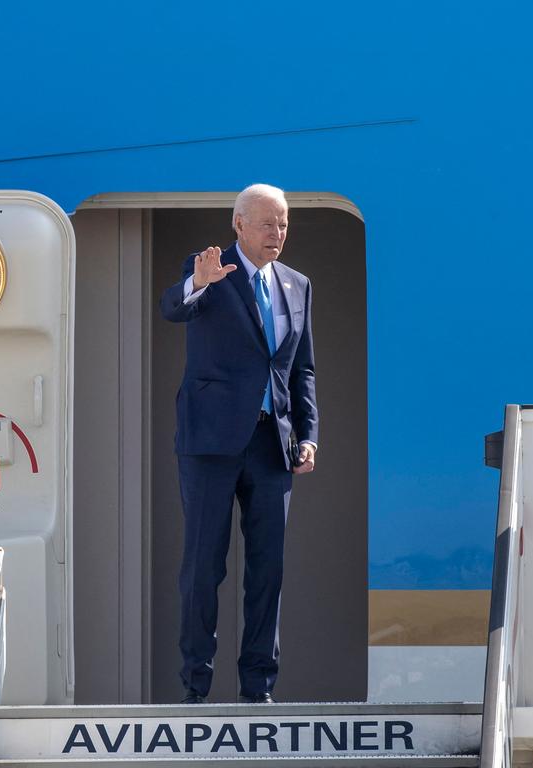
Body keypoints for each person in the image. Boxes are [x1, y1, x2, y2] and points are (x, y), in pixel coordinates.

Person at [159, 183, 318, 704]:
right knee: (204, 566)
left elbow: (302, 369)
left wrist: (309, 434)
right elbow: (174, 308)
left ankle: (258, 689)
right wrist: (197, 284)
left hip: (273, 443)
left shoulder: (297, 284)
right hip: (210, 442)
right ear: (239, 225)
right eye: (268, 223)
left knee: (267, 570)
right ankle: (196, 686)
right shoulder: (209, 268)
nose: (278, 233)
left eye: (284, 224)